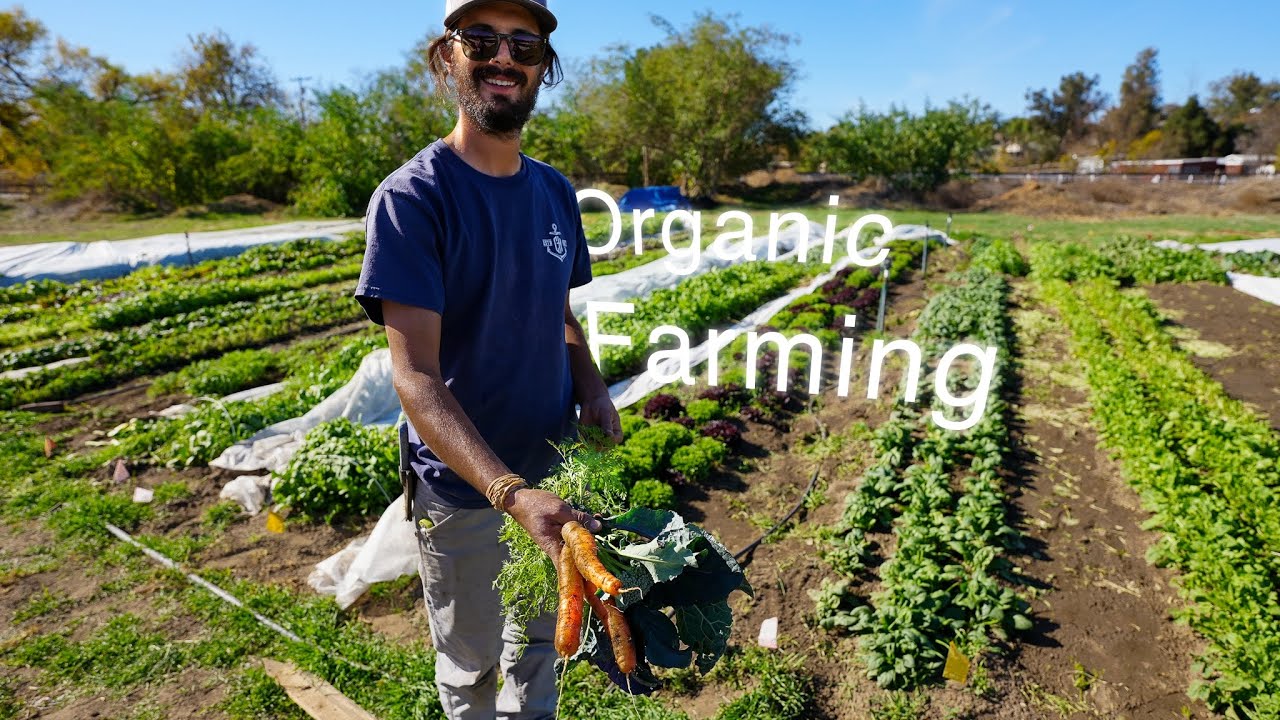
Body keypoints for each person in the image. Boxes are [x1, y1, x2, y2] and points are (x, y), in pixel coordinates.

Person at [352, 1, 622, 717]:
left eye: (523, 45)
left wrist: (591, 385)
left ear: (543, 68)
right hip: (466, 493)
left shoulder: (555, 192)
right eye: (481, 40)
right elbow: (414, 377)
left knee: (541, 648)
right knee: (470, 663)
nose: (503, 57)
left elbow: (558, 313)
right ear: (448, 56)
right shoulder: (414, 199)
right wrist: (508, 491)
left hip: (552, 473)